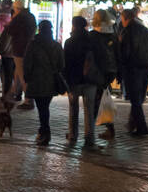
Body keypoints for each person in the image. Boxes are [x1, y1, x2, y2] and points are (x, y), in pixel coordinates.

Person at [62, 14, 111, 148]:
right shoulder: (92, 40)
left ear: (74, 25)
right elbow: (101, 58)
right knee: (89, 110)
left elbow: (65, 63)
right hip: (90, 79)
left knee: (73, 108)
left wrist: (66, 79)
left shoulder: (69, 42)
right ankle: (89, 137)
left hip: (74, 80)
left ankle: (73, 135)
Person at [24, 20, 65, 146]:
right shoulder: (56, 45)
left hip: (37, 81)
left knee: (42, 108)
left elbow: (27, 64)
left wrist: (27, 78)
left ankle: (45, 133)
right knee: (44, 107)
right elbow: (62, 65)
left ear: (39, 30)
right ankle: (43, 131)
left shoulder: (33, 45)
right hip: (51, 81)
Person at [118, 7, 148, 136]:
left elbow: (126, 52)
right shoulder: (143, 28)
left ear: (126, 18)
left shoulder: (128, 31)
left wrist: (122, 67)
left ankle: (142, 128)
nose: (121, 21)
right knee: (139, 97)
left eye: (122, 19)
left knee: (135, 99)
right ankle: (132, 124)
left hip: (134, 66)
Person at [90, 9, 120, 136]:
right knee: (104, 96)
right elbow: (118, 53)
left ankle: (90, 129)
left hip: (97, 70)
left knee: (95, 99)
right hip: (110, 70)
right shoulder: (112, 34)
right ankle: (109, 127)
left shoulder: (93, 35)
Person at [5, 0, 37, 105]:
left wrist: (10, 22)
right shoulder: (31, 16)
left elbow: (9, 30)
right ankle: (14, 93)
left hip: (19, 48)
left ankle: (28, 99)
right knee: (18, 73)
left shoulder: (19, 18)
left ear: (16, 8)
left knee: (22, 74)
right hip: (29, 48)